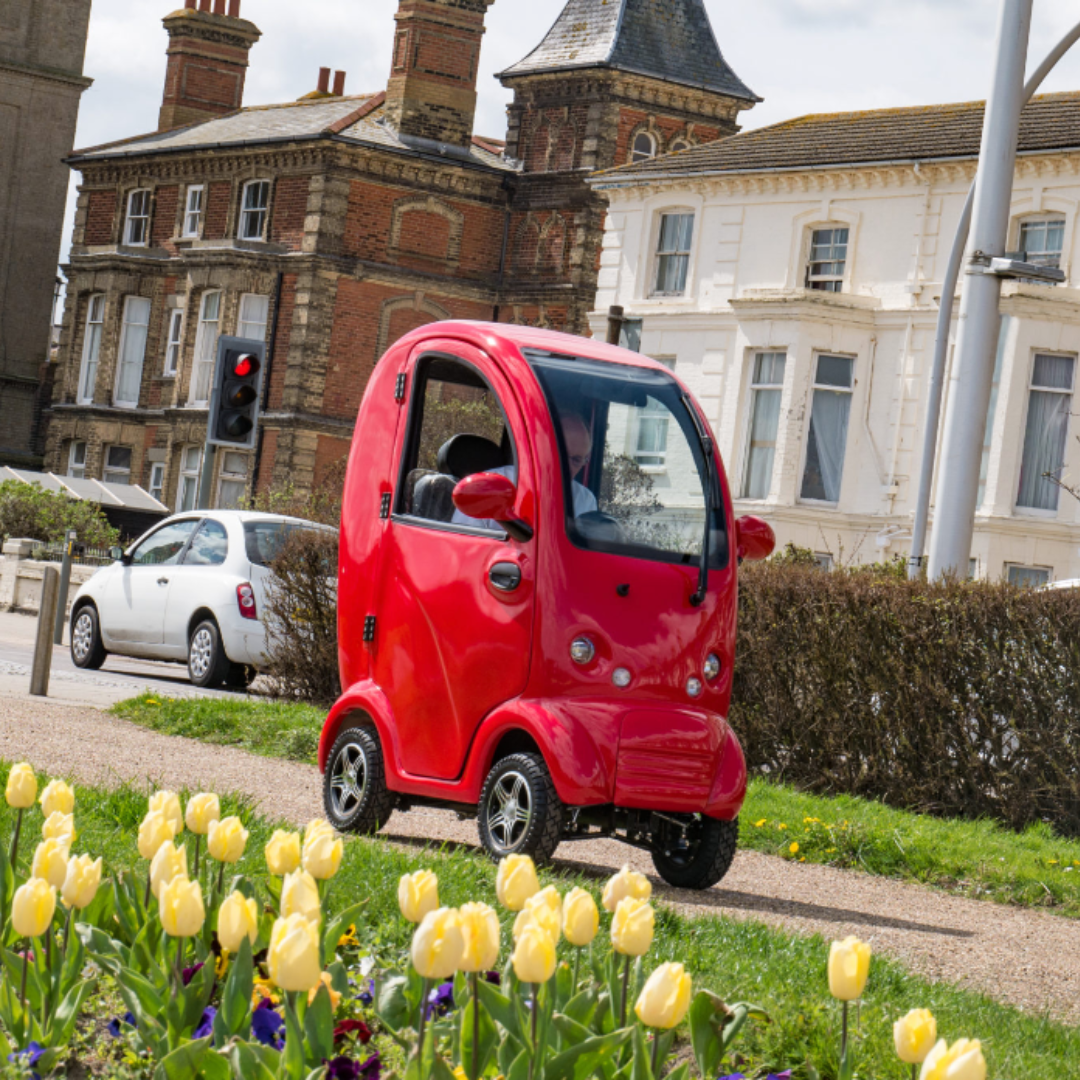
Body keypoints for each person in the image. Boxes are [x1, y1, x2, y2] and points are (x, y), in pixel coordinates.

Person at [451, 411, 598, 530]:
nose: (566, 467)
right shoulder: (488, 485)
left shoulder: (584, 501)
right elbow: (461, 550)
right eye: (560, 455)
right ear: (541, 448)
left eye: (576, 460)